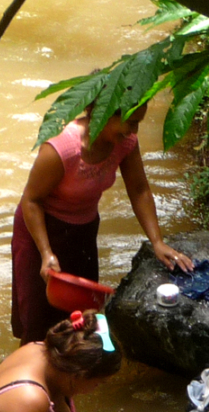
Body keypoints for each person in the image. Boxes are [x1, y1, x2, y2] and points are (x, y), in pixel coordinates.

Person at [11, 101, 194, 344]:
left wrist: (157, 242)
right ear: (105, 112)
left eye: (138, 122)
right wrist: (46, 253)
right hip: (40, 232)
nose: (134, 130)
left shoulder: (125, 143)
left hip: (83, 231)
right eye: (131, 122)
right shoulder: (62, 149)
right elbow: (31, 200)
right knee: (38, 322)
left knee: (81, 318)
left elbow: (139, 190)